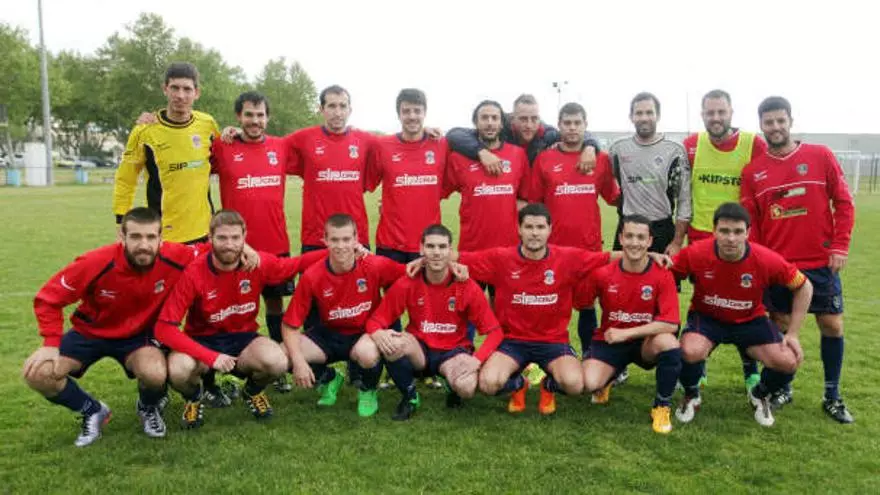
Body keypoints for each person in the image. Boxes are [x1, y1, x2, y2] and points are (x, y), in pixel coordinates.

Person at [455, 203, 666, 415]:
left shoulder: (567, 258)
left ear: (550, 229)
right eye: (529, 227)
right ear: (519, 229)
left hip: (553, 341)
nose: (534, 233)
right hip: (512, 341)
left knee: (574, 385)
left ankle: (548, 386)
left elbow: (606, 257)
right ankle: (519, 384)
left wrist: (649, 255)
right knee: (488, 384)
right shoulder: (501, 258)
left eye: (540, 227)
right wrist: (438, 259)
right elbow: (458, 257)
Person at [23, 208, 205, 446]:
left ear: (161, 238)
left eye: (151, 237)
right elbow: (48, 299)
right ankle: (93, 410)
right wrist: (50, 344)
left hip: (139, 336)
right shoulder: (95, 262)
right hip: (90, 332)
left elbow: (215, 248)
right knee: (38, 374)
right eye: (135, 236)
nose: (144, 245)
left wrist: (246, 249)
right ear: (122, 236)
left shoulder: (176, 256)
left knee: (154, 373)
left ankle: (148, 407)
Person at [740, 96, 856, 423]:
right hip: (778, 265)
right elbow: (753, 224)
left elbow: (844, 203)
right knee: (779, 323)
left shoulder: (820, 155)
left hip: (820, 262)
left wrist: (840, 246)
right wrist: (760, 264)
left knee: (831, 324)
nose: (775, 127)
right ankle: (783, 387)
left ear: (790, 121)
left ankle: (832, 396)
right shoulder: (753, 172)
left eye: (781, 120)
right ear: (761, 126)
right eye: (769, 122)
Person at [154, 210, 325, 429]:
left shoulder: (256, 263)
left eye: (235, 238)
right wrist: (210, 356)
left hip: (243, 340)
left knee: (277, 361)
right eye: (222, 238)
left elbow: (295, 264)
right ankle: (194, 397)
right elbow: (164, 328)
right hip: (202, 341)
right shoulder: (195, 272)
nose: (229, 245)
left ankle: (252, 392)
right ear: (210, 238)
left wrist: (339, 250)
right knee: (179, 370)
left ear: (245, 238)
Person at [672, 203, 813, 427]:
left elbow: (804, 286)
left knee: (789, 361)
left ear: (748, 232)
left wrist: (793, 333)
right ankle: (691, 394)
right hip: (707, 318)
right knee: (689, 351)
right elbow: (666, 275)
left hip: (750, 320)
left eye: (738, 231)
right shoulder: (696, 253)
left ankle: (759, 394)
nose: (731, 238)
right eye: (724, 231)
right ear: (714, 231)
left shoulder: (765, 258)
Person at [366, 224, 503, 420]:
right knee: (392, 343)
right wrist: (378, 332)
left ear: (450, 250)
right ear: (421, 249)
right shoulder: (408, 282)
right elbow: (376, 320)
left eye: (442, 247)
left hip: (452, 351)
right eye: (430, 246)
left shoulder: (467, 286)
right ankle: (409, 396)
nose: (436, 252)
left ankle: (452, 387)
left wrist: (477, 360)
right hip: (419, 349)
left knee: (467, 387)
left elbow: (495, 332)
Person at [211, 91, 298, 392]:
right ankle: (225, 368)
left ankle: (278, 365)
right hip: (233, 247)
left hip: (274, 244)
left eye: (260, 115)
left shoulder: (281, 146)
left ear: (268, 118)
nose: (255, 120)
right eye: (249, 114)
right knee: (230, 308)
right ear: (239, 116)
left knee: (275, 304)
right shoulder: (223, 146)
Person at [684, 89, 768, 389]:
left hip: (741, 241)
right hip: (701, 239)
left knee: (746, 303)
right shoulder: (691, 145)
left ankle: (750, 367)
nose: (716, 117)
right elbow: (682, 193)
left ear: (731, 112)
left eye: (721, 112)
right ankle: (699, 363)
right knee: (704, 301)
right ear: (702, 115)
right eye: (710, 113)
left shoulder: (753, 144)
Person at [281, 214, 406, 418]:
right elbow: (290, 325)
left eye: (347, 239)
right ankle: (329, 379)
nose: (341, 246)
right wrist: (298, 362)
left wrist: (451, 264)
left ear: (356, 239)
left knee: (367, 353)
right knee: (282, 356)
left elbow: (410, 272)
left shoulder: (373, 265)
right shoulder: (312, 275)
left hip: (364, 334)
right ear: (325, 240)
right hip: (329, 334)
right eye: (335, 240)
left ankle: (368, 390)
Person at [529, 101, 619, 369]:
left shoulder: (600, 160)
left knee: (587, 305)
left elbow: (614, 197)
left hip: (588, 249)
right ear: (559, 126)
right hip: (552, 250)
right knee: (549, 305)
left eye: (577, 123)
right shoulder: (545, 159)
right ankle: (546, 359)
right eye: (567, 123)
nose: (572, 128)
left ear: (585, 125)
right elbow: (534, 204)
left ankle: (591, 357)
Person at [578, 215, 681, 434]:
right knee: (587, 383)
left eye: (641, 237)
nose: (635, 242)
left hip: (645, 343)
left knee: (669, 342)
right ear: (621, 238)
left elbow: (671, 323)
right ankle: (607, 379)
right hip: (610, 342)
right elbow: (582, 305)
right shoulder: (603, 273)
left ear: (650, 241)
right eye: (630, 236)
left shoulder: (662, 274)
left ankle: (661, 406)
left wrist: (627, 333)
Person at [114, 62, 219, 245]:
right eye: (175, 88)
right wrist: (121, 220)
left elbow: (226, 154)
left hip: (205, 232)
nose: (180, 95)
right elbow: (126, 179)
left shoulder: (207, 124)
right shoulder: (144, 131)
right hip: (163, 235)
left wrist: (234, 131)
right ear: (165, 89)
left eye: (187, 89)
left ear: (197, 92)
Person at [609, 92, 691, 256]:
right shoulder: (618, 149)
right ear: (631, 117)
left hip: (661, 229)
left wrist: (677, 242)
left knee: (664, 274)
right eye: (639, 113)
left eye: (649, 112)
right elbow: (613, 180)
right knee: (621, 273)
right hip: (628, 228)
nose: (644, 118)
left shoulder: (675, 150)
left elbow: (684, 199)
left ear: (658, 115)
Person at [446, 93, 599, 173]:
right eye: (523, 119)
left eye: (534, 119)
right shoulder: (500, 129)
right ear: (513, 119)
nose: (529, 125)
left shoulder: (547, 134)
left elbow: (577, 132)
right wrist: (481, 152)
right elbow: (454, 134)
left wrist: (590, 147)